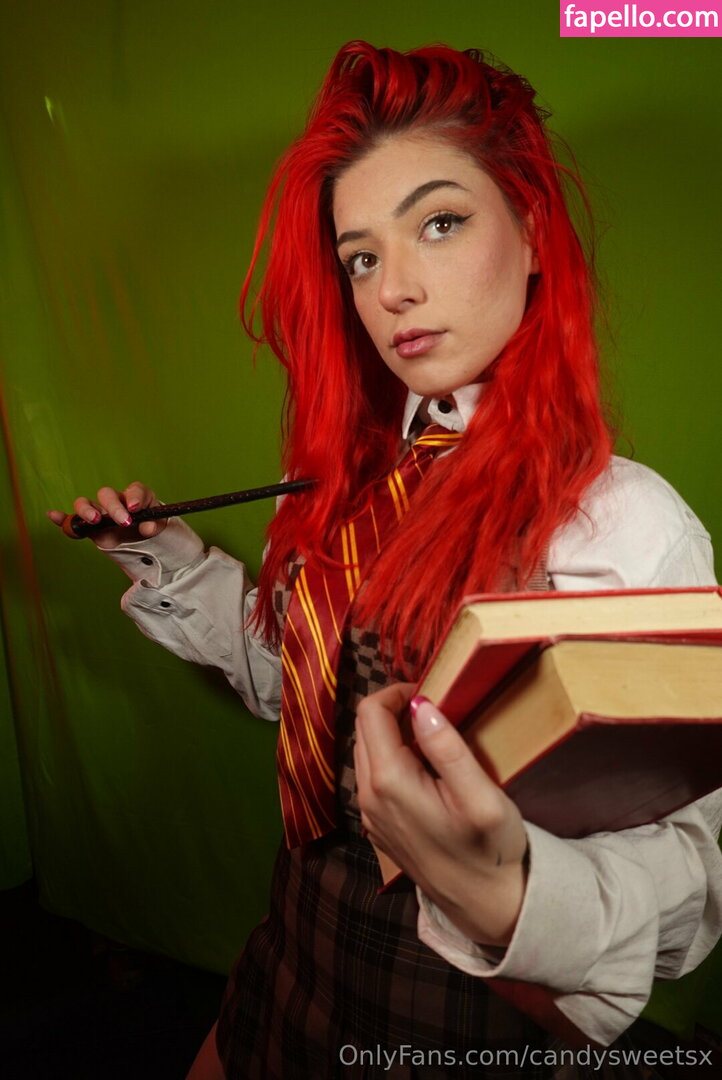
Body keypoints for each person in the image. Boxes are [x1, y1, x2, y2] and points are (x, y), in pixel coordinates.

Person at [48, 41, 722, 1079]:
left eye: (439, 224)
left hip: (453, 1030)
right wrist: (168, 559)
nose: (394, 289)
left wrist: (510, 896)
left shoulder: (619, 524)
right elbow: (304, 701)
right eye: (361, 257)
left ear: (531, 230)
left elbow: (693, 872)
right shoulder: (349, 479)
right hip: (286, 970)